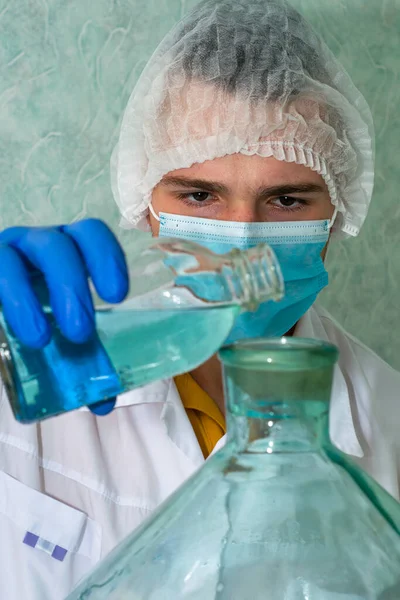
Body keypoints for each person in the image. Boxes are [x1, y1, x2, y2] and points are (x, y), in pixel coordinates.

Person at [0, 0, 399, 598]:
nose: (241, 237)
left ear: (337, 210)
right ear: (146, 202)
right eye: (199, 196)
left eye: (287, 201)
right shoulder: (35, 354)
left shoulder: (390, 420)